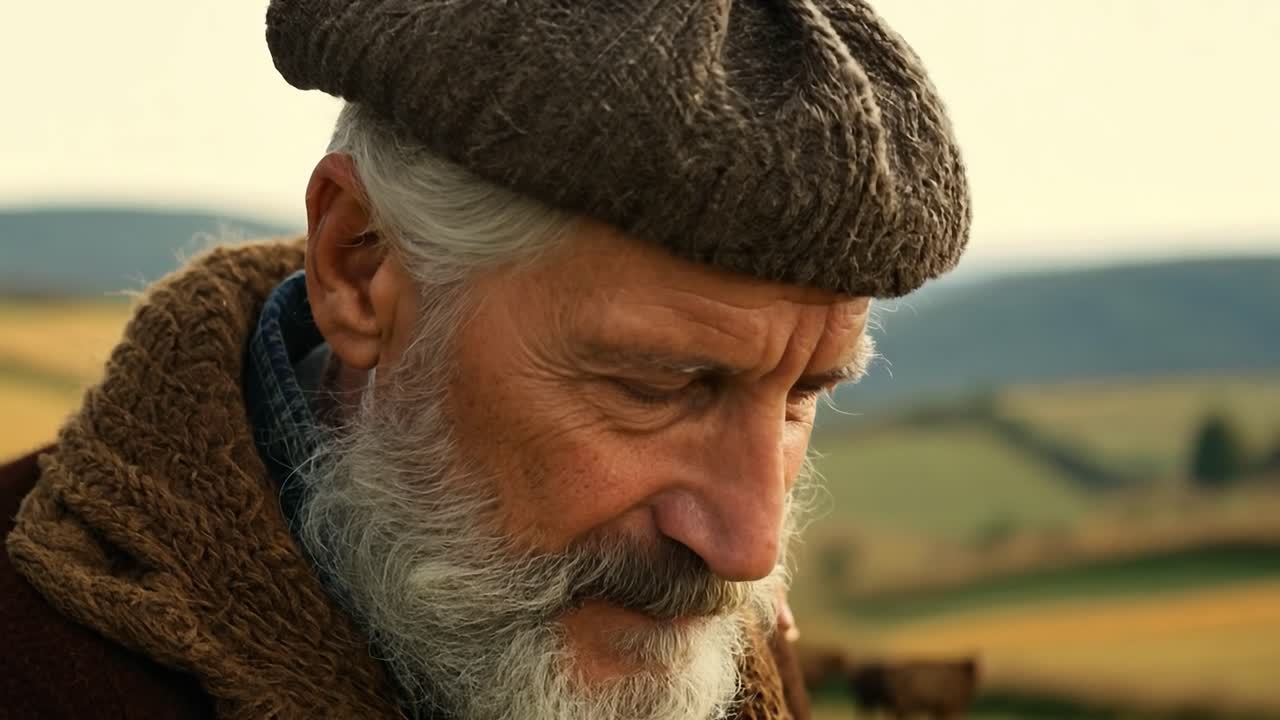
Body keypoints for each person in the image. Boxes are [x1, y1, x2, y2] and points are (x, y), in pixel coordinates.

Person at [0, 1, 969, 718]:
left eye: (801, 394)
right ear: (358, 268)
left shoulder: (717, 641)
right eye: (659, 386)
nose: (747, 548)